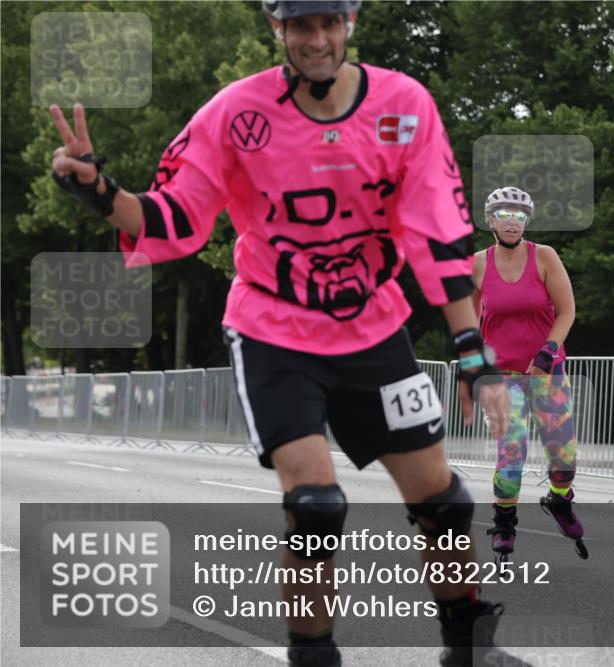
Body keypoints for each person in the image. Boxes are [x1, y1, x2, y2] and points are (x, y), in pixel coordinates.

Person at [48, 2, 518, 666]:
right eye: (301, 26)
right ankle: (312, 655)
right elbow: (176, 211)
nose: (316, 39)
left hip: (373, 326)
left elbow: (436, 233)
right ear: (278, 30)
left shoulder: (405, 104)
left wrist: (474, 353)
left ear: (351, 24)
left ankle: (469, 645)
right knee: (316, 504)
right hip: (275, 328)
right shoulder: (237, 113)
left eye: (329, 23)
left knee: (443, 501)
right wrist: (101, 189)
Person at [471, 187, 587, 561]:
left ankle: (559, 500)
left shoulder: (545, 258)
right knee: (512, 452)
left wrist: (548, 349)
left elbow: (567, 311)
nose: (511, 221)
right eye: (504, 214)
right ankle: (504, 521)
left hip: (547, 372)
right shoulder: (476, 264)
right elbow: (468, 321)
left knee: (564, 457)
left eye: (519, 215)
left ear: (526, 222)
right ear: (490, 220)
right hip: (502, 375)